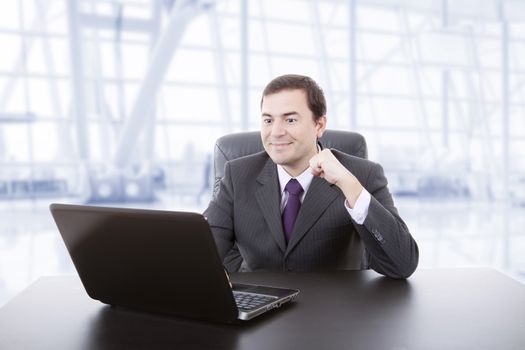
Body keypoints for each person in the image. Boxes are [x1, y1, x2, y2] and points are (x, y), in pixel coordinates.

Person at [204, 74, 418, 279]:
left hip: (335, 309)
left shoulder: (362, 175)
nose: (276, 132)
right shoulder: (238, 175)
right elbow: (203, 250)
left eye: (290, 120)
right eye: (268, 120)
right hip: (261, 308)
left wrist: (349, 185)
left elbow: (402, 264)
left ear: (319, 125)